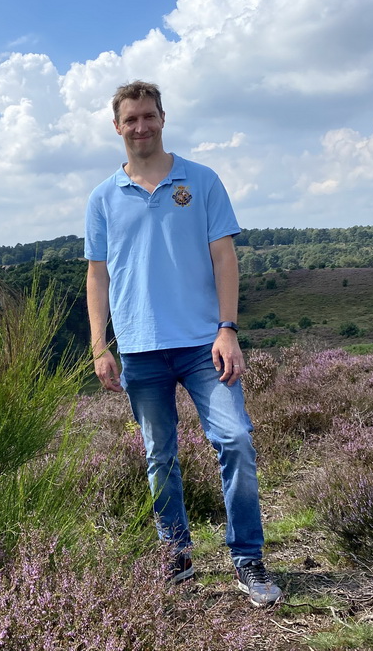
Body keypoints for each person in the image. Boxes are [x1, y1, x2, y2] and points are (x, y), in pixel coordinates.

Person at [84, 80, 281, 607]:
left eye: (149, 116)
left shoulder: (202, 180)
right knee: (159, 456)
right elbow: (97, 275)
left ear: (163, 118)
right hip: (140, 348)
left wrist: (228, 328)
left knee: (235, 438)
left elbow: (224, 258)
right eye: (131, 119)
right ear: (117, 126)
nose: (141, 126)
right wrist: (100, 346)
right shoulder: (103, 197)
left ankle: (248, 559)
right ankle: (177, 556)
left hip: (203, 344)